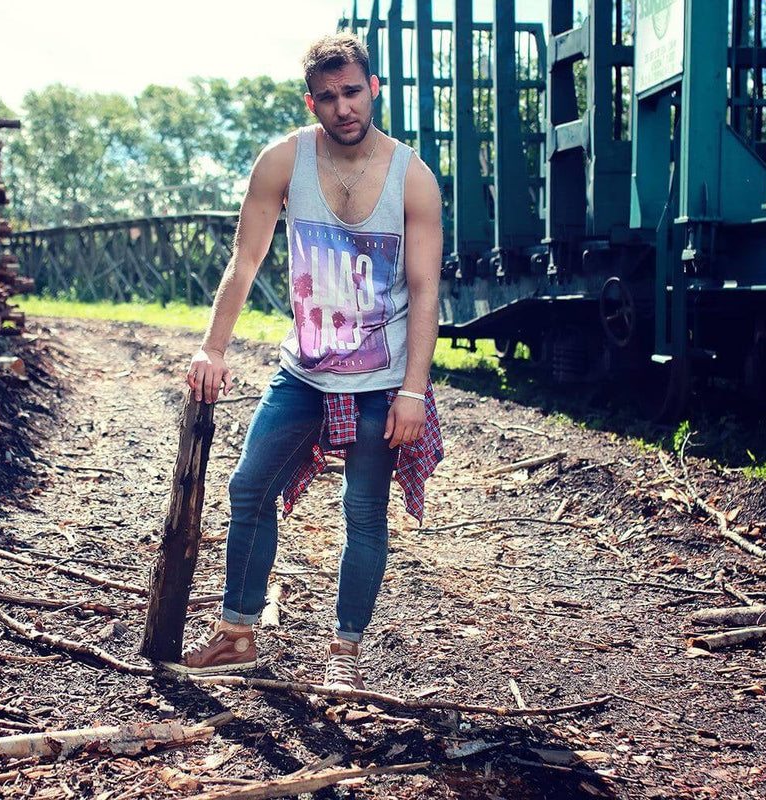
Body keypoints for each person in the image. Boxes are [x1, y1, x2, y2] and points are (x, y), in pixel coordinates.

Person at [173, 32, 444, 691]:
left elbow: (424, 289)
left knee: (363, 514)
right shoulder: (282, 162)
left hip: (382, 382)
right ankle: (238, 632)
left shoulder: (411, 177)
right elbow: (245, 260)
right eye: (327, 97)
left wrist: (414, 391)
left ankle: (344, 655)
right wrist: (213, 346)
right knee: (249, 489)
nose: (342, 107)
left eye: (352, 92)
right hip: (304, 373)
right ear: (311, 102)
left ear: (373, 88)